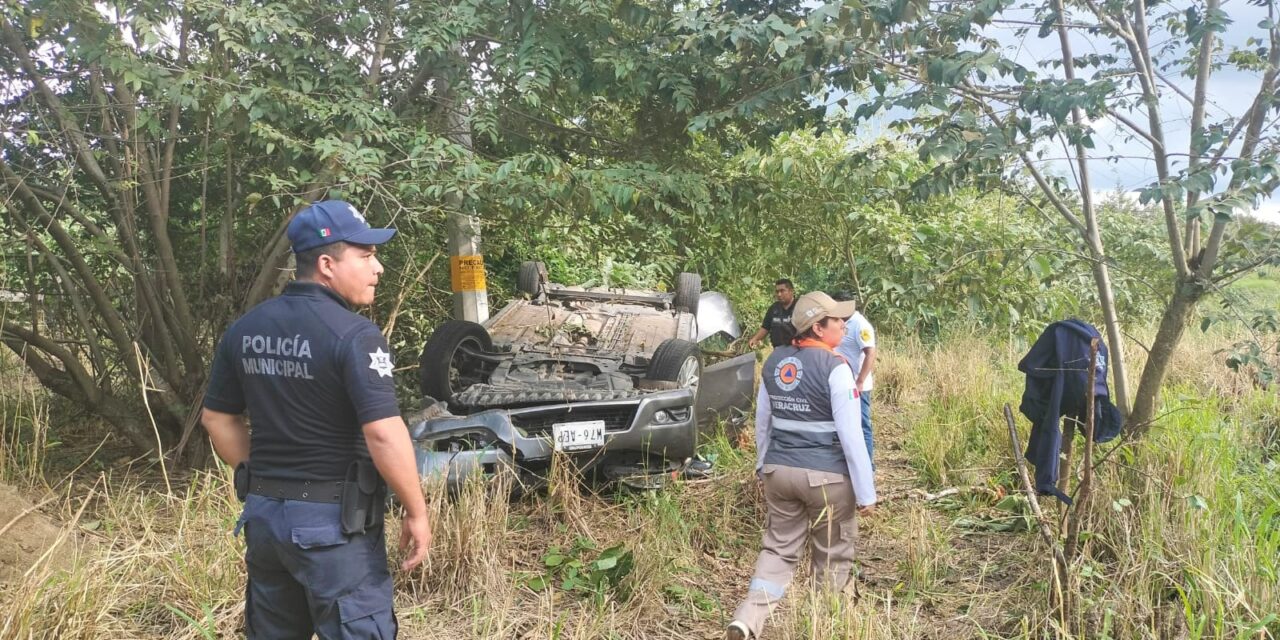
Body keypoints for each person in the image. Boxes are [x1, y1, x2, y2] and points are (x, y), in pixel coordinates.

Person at [202, 200, 431, 639]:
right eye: (365, 256)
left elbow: (217, 418)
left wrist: (259, 477)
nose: (377, 267)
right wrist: (416, 511)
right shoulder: (356, 336)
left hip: (265, 520)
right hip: (334, 532)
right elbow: (384, 433)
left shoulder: (245, 329)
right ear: (327, 264)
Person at [726, 292, 876, 640]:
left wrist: (763, 466)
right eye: (836, 320)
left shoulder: (775, 362)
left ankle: (748, 619)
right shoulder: (837, 368)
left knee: (778, 549)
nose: (843, 324)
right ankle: (828, 626)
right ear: (819, 328)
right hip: (827, 480)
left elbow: (762, 422)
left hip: (780, 472)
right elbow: (852, 437)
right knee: (832, 554)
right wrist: (867, 493)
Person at [832, 293, 878, 465]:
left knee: (861, 425)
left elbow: (870, 353)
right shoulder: (839, 322)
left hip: (858, 386)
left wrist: (859, 381)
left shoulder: (860, 325)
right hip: (842, 383)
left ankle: (867, 464)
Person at [747, 279, 798, 349]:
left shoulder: (800, 306)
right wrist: (755, 339)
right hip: (778, 350)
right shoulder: (774, 309)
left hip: (796, 350)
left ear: (791, 291)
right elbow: (765, 327)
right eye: (777, 292)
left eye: (782, 291)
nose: (779, 294)